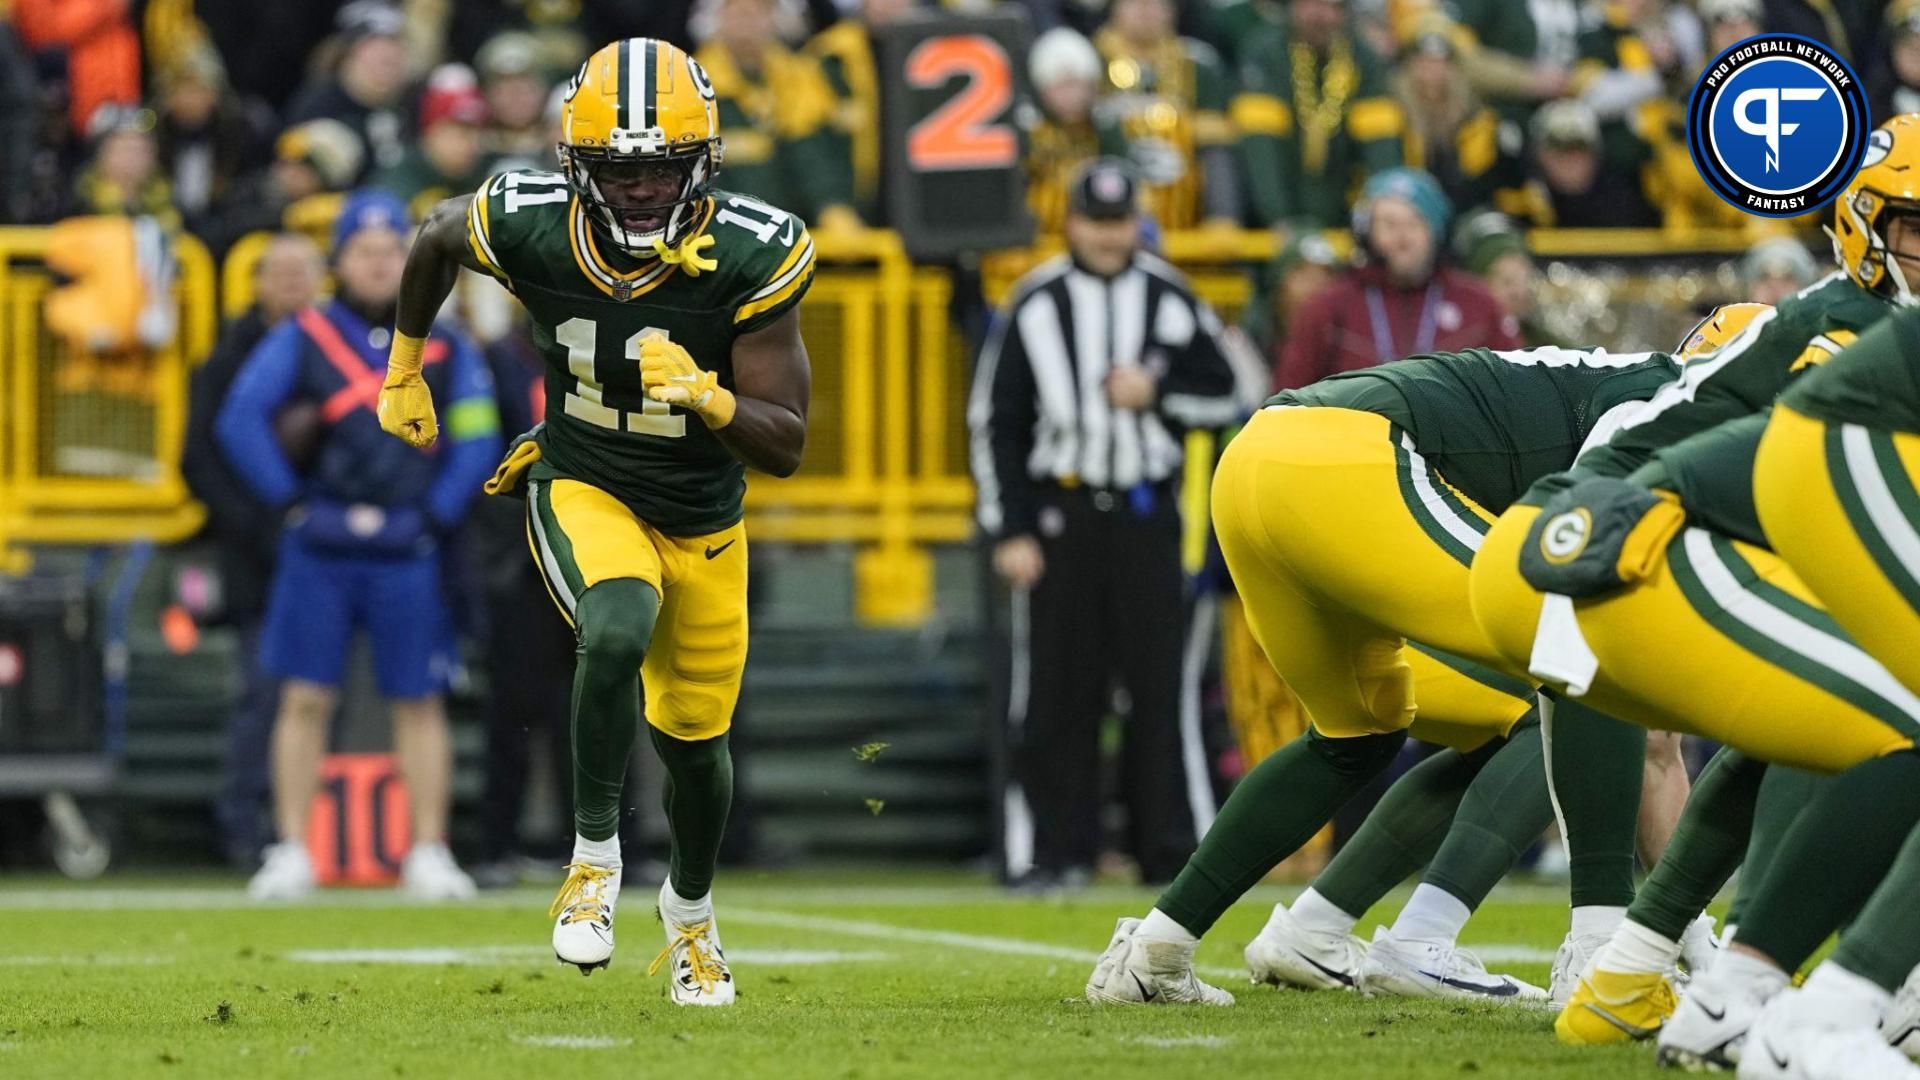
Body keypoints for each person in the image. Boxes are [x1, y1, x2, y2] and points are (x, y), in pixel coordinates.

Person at [377, 37, 815, 1006]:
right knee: (614, 625)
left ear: (702, 163)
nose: (643, 188)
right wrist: (403, 366)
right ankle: (592, 860)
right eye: (619, 168)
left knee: (698, 750)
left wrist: (710, 398)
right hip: (585, 479)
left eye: (661, 167)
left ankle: (691, 921)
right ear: (577, 166)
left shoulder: (754, 248)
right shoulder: (528, 221)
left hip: (703, 517)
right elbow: (438, 235)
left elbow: (784, 443)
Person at [1460, 117, 1915, 1050]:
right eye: (1919, 226)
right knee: (1889, 715)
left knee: (1821, 715)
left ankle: (1651, 974)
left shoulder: (1853, 324)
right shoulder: (1854, 331)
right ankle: (1830, 999)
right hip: (1603, 545)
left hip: (1590, 543)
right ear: (1866, 223)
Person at [218, 190, 501, 903]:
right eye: (365, 251)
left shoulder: (444, 341)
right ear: (340, 260)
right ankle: (290, 847)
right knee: (304, 696)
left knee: (421, 699)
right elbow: (241, 418)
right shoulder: (306, 334)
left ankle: (429, 849)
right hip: (322, 543)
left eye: (390, 251)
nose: (378, 263)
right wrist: (290, 503)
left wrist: (434, 516)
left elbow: (477, 436)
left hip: (409, 545)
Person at [970, 159, 1240, 892]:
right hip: (1061, 517)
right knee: (1058, 691)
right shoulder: (1035, 300)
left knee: (1161, 693)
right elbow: (996, 424)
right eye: (1095, 220)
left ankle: (1174, 857)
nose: (1108, 236)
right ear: (1072, 222)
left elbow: (1228, 394)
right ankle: (1051, 853)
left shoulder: (1170, 297)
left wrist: (1157, 392)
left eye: (1120, 222)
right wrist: (1011, 529)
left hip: (1148, 514)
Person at [183, 233, 326, 867]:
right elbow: (200, 458)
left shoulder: (334, 348)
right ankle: (244, 826)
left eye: (304, 273)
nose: (293, 285)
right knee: (262, 693)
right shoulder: (225, 359)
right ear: (260, 282)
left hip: (326, 547)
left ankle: (308, 830)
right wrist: (261, 523)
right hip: (258, 554)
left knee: (318, 695)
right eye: (282, 274)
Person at [1277, 168, 1519, 392]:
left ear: (1436, 232)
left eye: (1415, 223)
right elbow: (1288, 398)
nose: (1402, 238)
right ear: (1366, 231)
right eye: (1389, 225)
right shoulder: (1329, 307)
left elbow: (1515, 387)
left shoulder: (1478, 304)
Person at [1235, 0, 1406, 230]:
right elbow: (1262, 151)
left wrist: (1384, 218)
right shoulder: (1266, 53)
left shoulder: (1364, 59)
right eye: (1310, 4)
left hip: (1348, 218)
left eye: (1331, 5)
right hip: (1271, 224)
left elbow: (1381, 153)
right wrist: (1276, 217)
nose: (1319, 15)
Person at [695, 0, 861, 229]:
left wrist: (831, 205)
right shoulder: (694, 83)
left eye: (757, 13)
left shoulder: (800, 77)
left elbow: (812, 154)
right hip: (721, 227)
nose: (746, 23)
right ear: (715, 19)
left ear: (776, 19)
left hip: (790, 227)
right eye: (736, 13)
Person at [1092, 0, 1239, 229]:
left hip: (1187, 222)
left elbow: (1216, 153)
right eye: (1134, 3)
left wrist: (1222, 215)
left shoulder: (1198, 64)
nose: (1145, 9)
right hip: (1108, 221)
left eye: (1156, 2)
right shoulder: (1089, 61)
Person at [285, 2, 417, 180]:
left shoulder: (411, 105)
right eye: (373, 45)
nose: (387, 54)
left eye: (395, 44)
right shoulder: (318, 107)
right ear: (347, 55)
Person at [1021, 28, 1132, 235]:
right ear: (1041, 89)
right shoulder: (1030, 132)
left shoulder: (1105, 127)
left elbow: (1123, 178)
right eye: (1062, 86)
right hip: (1041, 235)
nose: (1072, 96)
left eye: (1079, 85)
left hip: (1097, 230)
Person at [373, 67, 492, 220]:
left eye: (479, 131)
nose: (473, 143)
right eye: (461, 132)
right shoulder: (399, 183)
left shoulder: (483, 175)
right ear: (431, 132)